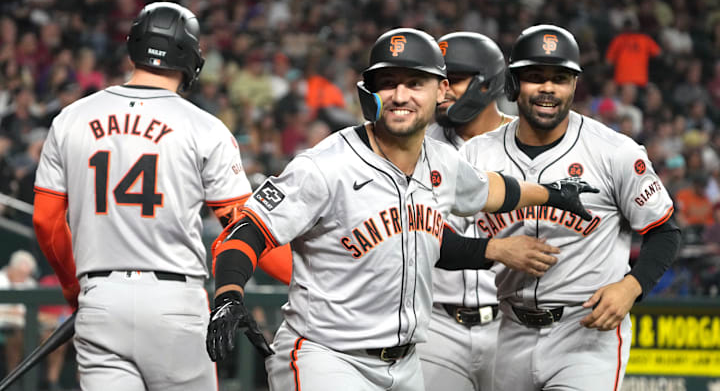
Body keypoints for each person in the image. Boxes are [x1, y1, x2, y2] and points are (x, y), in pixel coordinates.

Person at [205, 27, 596, 391]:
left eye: (415, 83)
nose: (400, 95)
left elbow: (494, 191)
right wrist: (228, 295)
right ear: (368, 93)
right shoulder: (324, 166)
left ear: (441, 91)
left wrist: (549, 193)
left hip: (406, 365)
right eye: (387, 84)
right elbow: (247, 231)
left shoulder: (442, 162)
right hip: (326, 356)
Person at [32, 2, 289, 391]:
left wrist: (74, 289)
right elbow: (244, 230)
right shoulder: (205, 128)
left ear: (133, 46)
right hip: (175, 301)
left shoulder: (72, 118)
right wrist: (312, 277)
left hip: (100, 299)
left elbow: (46, 221)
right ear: (191, 57)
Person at [461, 24, 681, 391]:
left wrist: (632, 286)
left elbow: (665, 230)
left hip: (586, 332)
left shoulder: (614, 151)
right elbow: (436, 234)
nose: (548, 88)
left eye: (560, 78)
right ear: (514, 83)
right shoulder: (475, 154)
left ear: (574, 85)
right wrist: (495, 249)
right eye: (535, 77)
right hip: (508, 330)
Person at [419, 32, 560, 391]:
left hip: (512, 324)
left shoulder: (529, 146)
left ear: (487, 83)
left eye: (456, 80)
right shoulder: (415, 143)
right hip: (436, 325)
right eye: (439, 80)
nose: (444, 90)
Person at [0, 250, 37, 379]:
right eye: (20, 273)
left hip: (23, 328)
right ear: (12, 269)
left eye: (26, 274)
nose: (23, 277)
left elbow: (30, 313)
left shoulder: (30, 283)